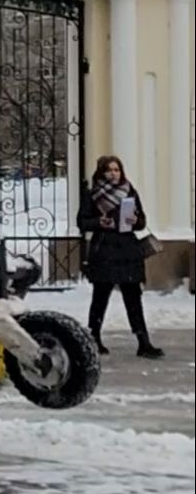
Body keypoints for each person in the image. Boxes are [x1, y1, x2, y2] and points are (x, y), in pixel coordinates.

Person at [78, 154, 161, 359]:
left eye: (117, 170)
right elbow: (82, 221)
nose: (114, 174)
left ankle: (143, 342)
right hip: (104, 250)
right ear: (101, 172)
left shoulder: (129, 190)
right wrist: (99, 222)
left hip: (127, 250)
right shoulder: (93, 194)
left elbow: (141, 221)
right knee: (100, 297)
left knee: (133, 298)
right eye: (109, 170)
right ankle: (94, 338)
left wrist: (135, 220)